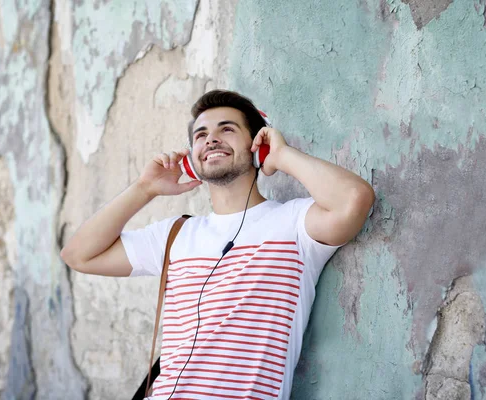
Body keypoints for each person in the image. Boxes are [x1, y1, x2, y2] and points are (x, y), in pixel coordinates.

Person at [60, 90, 375, 399]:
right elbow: (78, 255)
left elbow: (354, 199)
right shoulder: (174, 235)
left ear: (256, 146)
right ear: (193, 156)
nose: (210, 139)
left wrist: (282, 156)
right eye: (200, 135)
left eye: (227, 129)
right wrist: (145, 189)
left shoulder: (295, 224)